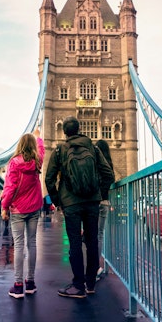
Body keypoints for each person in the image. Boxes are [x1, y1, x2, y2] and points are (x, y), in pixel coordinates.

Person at [45, 116, 114, 298]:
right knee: (92, 242)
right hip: (92, 203)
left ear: (64, 132)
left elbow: (49, 179)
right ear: (79, 129)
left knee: (75, 244)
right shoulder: (93, 147)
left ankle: (78, 286)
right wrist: (98, 193)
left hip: (71, 203)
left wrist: (58, 201)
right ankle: (90, 284)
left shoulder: (60, 150)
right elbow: (108, 174)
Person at [1, 128, 44, 299]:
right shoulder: (37, 161)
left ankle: (18, 286)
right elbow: (41, 150)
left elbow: (10, 187)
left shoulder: (14, 163)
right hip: (34, 207)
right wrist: (38, 138)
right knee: (31, 244)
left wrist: (4, 207)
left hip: (18, 209)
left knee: (19, 245)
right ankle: (31, 283)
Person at [95, 139, 114, 280]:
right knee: (99, 234)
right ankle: (96, 267)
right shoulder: (109, 164)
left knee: (92, 234)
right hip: (104, 201)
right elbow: (111, 179)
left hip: (92, 201)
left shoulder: (93, 162)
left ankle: (93, 267)